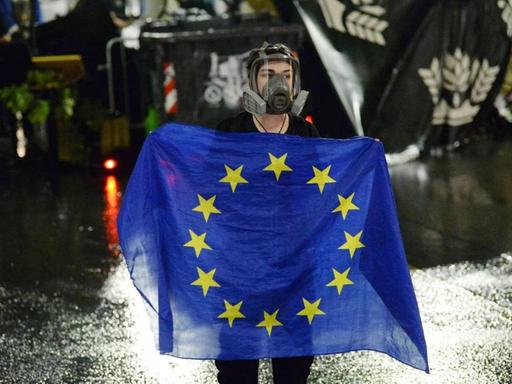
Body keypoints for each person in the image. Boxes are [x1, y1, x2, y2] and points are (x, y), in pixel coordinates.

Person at [215, 42, 318, 384]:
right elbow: (206, 192)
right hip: (239, 270)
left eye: (286, 76)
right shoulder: (230, 133)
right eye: (269, 75)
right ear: (253, 81)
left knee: (293, 367)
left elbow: (323, 194)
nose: (279, 84)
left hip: (293, 270)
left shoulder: (306, 133)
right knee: (236, 368)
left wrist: (367, 156)